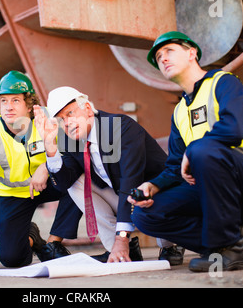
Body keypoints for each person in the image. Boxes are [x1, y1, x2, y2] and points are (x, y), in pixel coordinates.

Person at [129, 31, 243, 272]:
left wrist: (193, 150)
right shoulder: (180, 111)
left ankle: (229, 249)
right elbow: (174, 167)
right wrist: (154, 186)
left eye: (169, 51)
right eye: (159, 57)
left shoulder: (224, 83)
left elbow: (233, 127)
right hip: (214, 195)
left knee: (202, 149)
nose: (163, 59)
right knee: (145, 215)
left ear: (192, 53)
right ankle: (233, 237)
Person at [34, 86, 168, 263]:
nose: (66, 123)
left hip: (155, 195)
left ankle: (170, 247)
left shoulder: (121, 127)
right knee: (76, 184)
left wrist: (123, 238)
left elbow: (131, 180)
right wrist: (50, 149)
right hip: (123, 197)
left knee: (166, 244)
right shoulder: (71, 139)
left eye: (70, 113)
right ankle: (116, 249)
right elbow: (63, 183)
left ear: (88, 109)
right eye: (60, 120)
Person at [0, 71, 82, 269]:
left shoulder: (51, 120)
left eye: (15, 100)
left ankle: (53, 243)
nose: (8, 106)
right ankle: (32, 236)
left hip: (49, 184)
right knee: (12, 258)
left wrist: (46, 166)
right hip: (11, 195)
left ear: (29, 104)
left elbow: (77, 156)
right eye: (3, 100)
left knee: (81, 178)